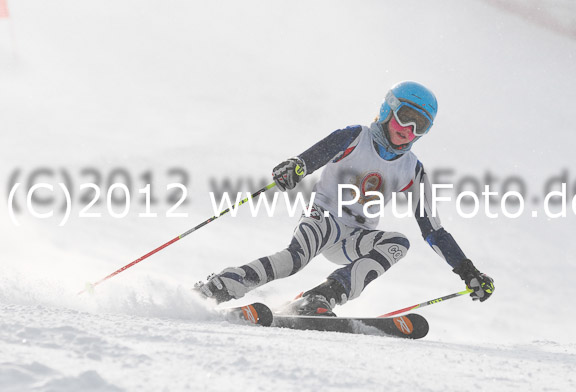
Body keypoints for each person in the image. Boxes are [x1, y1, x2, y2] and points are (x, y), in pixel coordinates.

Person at [194, 81, 494, 315]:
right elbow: (314, 156)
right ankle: (220, 285)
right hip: (324, 218)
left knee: (397, 244)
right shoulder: (355, 137)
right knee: (294, 260)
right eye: (406, 118)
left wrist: (468, 271)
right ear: (388, 110)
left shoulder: (412, 169)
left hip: (355, 236)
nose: (409, 130)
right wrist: (295, 167)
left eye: (421, 125)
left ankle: (322, 296)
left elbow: (433, 230)